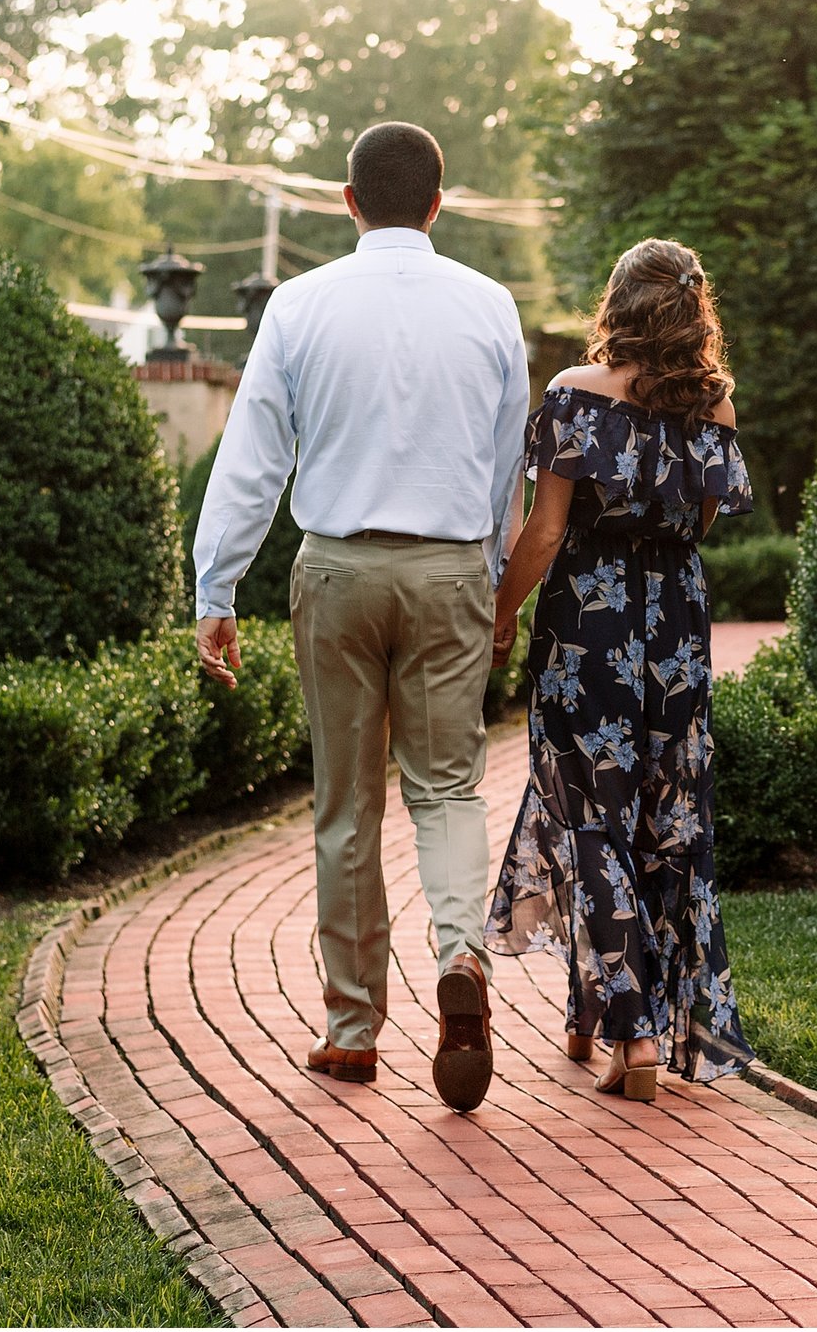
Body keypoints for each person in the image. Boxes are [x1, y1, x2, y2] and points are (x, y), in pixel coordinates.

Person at [190, 121, 526, 1114]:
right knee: (448, 790)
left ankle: (350, 1032)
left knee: (346, 806)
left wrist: (217, 592)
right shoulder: (489, 306)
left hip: (336, 571)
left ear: (347, 200)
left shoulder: (297, 307)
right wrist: (495, 584)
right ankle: (460, 952)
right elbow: (507, 465)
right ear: (436, 201)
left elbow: (251, 462)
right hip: (448, 571)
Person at [485, 238, 755, 1104]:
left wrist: (500, 609)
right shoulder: (715, 408)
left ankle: (633, 1035)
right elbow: (703, 523)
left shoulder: (571, 395)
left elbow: (546, 532)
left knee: (589, 818)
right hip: (676, 630)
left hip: (586, 635)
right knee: (663, 822)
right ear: (691, 313)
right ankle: (617, 1020)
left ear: (620, 307)